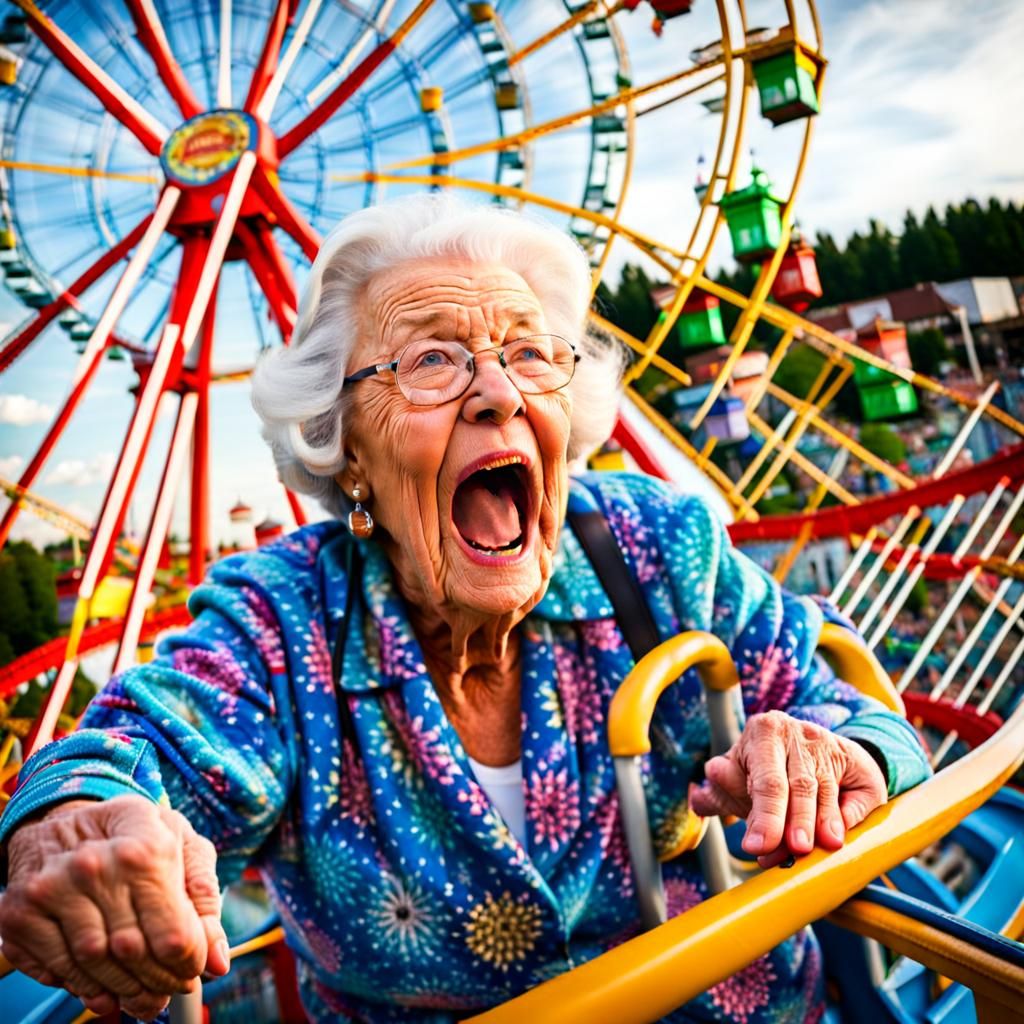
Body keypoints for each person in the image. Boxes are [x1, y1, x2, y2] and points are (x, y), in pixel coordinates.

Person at [0, 196, 930, 1023]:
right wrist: (75, 818)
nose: (498, 393)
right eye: (432, 359)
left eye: (530, 353)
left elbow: (868, 723)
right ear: (345, 448)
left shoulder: (660, 547)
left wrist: (831, 755)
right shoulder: (285, 622)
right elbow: (133, 753)